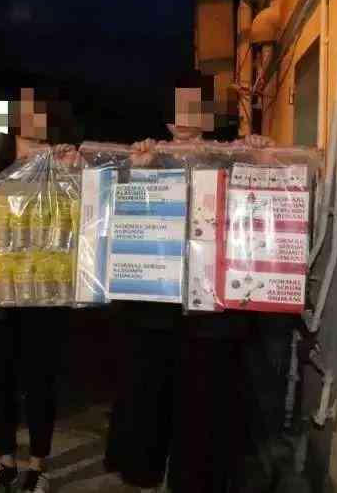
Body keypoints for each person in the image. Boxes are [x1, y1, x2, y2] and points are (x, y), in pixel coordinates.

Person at [104, 85, 274, 491]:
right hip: (153, 303)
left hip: (211, 307)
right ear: (167, 119)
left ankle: (193, 481)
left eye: (195, 107)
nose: (185, 115)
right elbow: (114, 213)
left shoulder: (231, 157)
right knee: (147, 392)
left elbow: (264, 202)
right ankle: (144, 474)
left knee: (204, 400)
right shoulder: (145, 155)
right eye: (178, 108)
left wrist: (262, 158)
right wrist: (137, 168)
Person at [0, 88, 76, 493]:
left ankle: (38, 464)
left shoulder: (65, 165)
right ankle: (5, 459)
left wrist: (76, 165)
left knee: (40, 380)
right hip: (0, 291)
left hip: (46, 291)